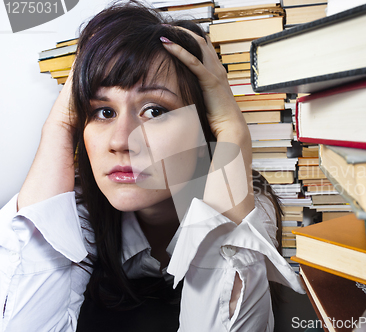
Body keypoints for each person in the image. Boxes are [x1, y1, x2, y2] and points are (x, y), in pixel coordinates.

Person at [0, 1, 304, 331]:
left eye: (154, 111)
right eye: (103, 111)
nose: (120, 141)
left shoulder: (242, 201)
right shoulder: (77, 208)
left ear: (203, 128)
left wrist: (231, 130)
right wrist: (57, 127)